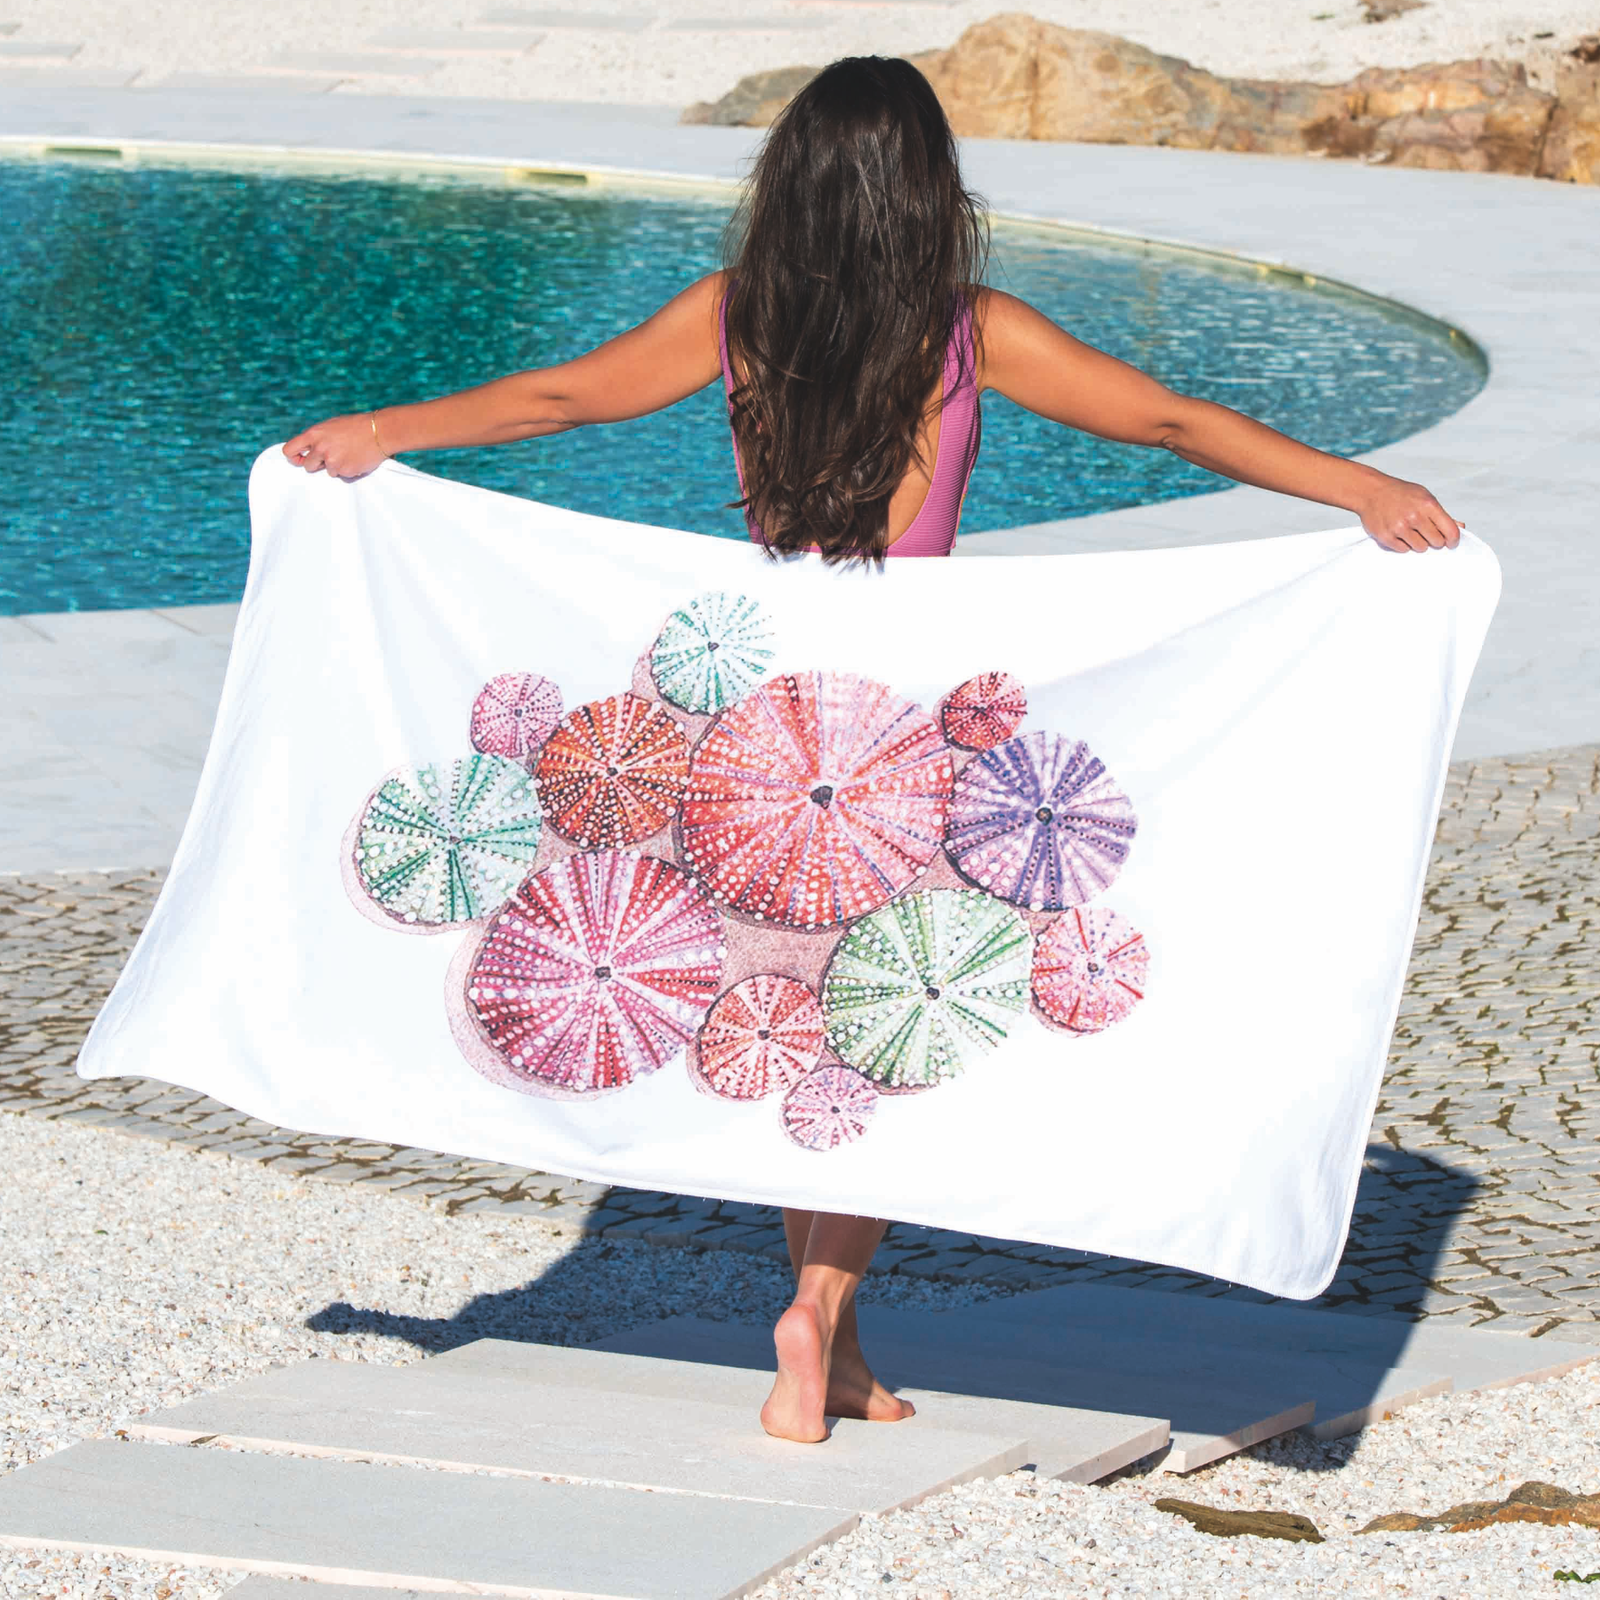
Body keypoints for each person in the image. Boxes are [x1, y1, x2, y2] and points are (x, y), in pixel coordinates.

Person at [283, 55, 1462, 1445]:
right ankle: (821, 1319)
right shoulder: (969, 333)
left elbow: (561, 402)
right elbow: (1166, 420)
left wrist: (379, 433)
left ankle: (832, 1339)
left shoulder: (733, 319)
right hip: (898, 722)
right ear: (928, 192)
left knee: (806, 1003)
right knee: (884, 1018)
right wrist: (1359, 485)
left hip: (767, 713)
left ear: (787, 183)